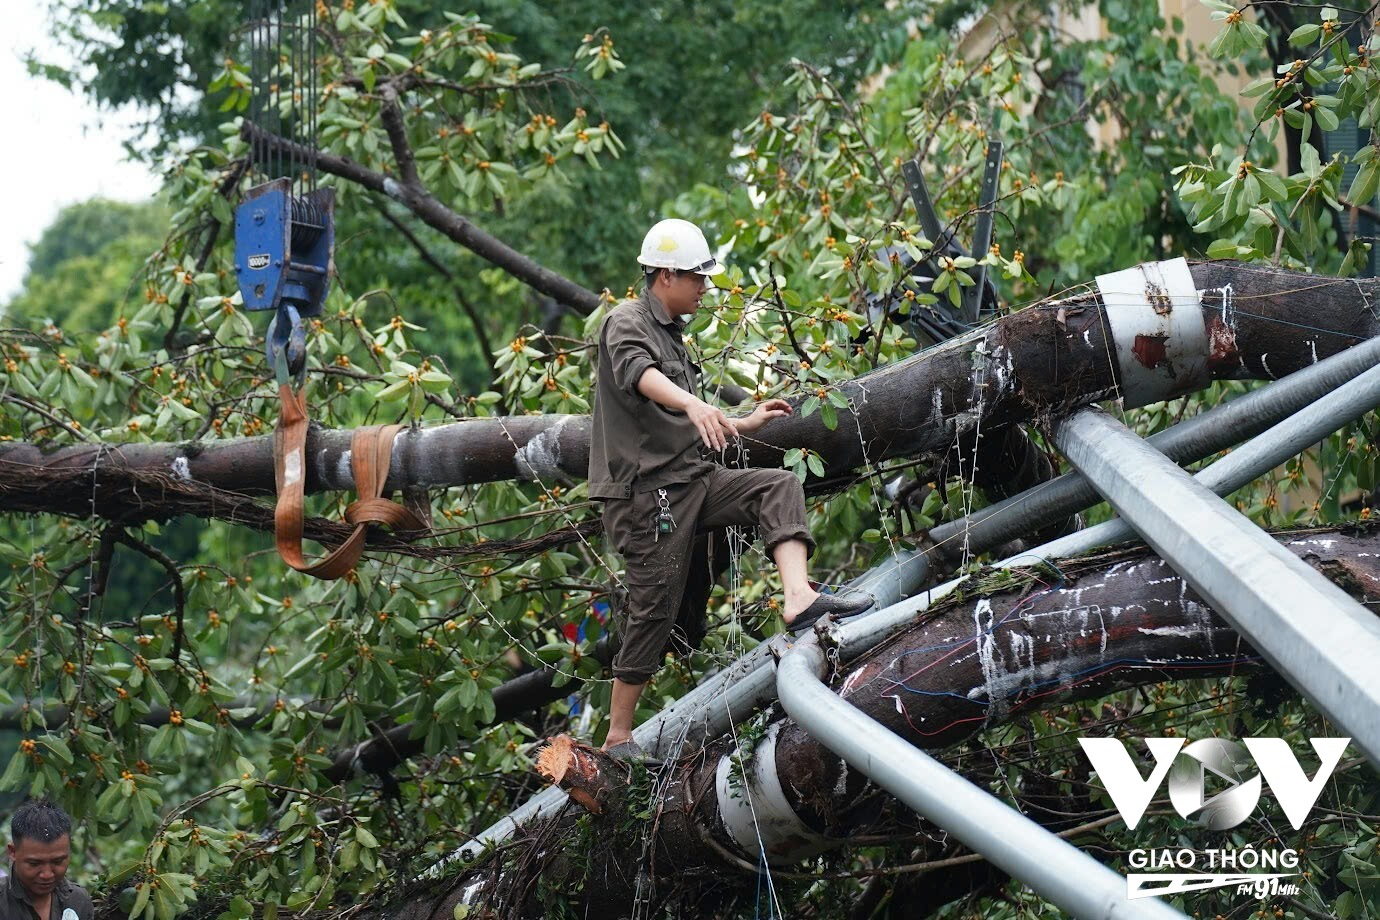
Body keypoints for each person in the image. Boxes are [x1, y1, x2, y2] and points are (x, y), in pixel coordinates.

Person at [588, 218, 872, 757]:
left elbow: (683, 416)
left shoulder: (674, 334)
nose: (706, 287)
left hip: (694, 477)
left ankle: (798, 598)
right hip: (648, 496)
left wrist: (740, 423)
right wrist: (693, 403)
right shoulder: (625, 322)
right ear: (666, 275)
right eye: (698, 277)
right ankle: (617, 736)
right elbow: (642, 376)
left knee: (778, 486)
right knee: (654, 608)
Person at [2, 799, 94, 920]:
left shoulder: (78, 900)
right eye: (34, 863)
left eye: (58, 862)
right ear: (13, 852)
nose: (47, 874)